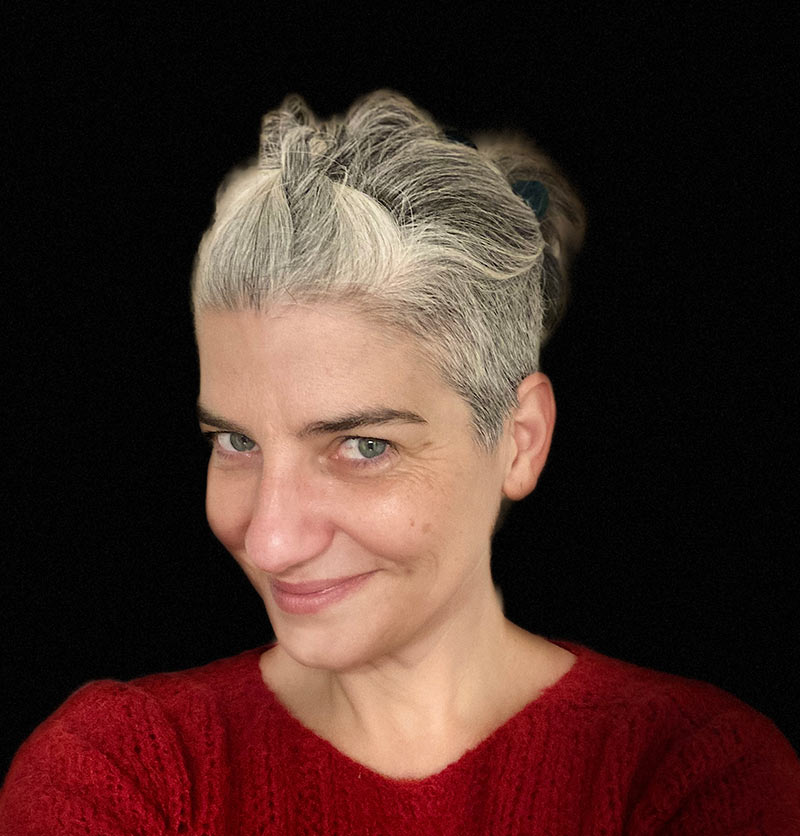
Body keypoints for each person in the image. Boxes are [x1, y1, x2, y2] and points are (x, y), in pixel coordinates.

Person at [1, 89, 798, 835]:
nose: (271, 541)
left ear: (519, 440)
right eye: (237, 442)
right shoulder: (119, 771)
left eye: (363, 446)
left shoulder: (692, 772)